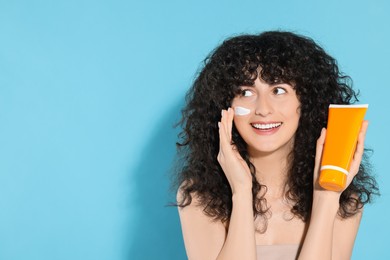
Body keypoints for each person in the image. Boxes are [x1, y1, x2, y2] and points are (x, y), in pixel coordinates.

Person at [173, 31, 379, 260]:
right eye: (245, 92)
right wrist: (240, 193)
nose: (263, 109)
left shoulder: (344, 200)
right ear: (225, 106)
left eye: (278, 90)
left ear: (307, 101)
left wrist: (326, 198)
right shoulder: (201, 195)